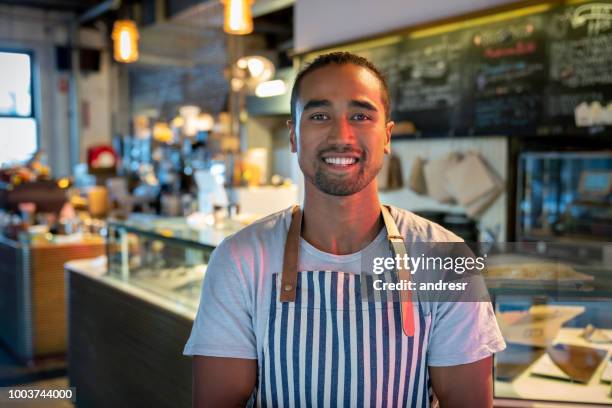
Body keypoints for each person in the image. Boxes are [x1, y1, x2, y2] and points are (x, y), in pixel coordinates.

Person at [184, 52, 506, 407]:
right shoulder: (239, 260)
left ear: (386, 136)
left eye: (361, 115)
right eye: (319, 116)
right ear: (294, 136)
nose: (342, 134)